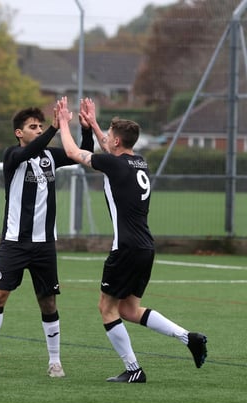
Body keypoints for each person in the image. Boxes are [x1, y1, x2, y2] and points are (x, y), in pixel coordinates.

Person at [55, 96, 208, 383]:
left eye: (109, 137)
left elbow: (73, 152)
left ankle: (133, 369)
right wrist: (96, 126)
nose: (107, 139)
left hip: (124, 248)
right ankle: (190, 338)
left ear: (116, 142)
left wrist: (64, 122)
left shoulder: (116, 165)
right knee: (128, 309)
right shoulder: (139, 162)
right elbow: (111, 151)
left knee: (107, 308)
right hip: (145, 248)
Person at [0, 103, 95, 377]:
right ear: (18, 133)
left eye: (40, 126)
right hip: (14, 242)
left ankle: (55, 361)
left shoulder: (50, 156)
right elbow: (30, 151)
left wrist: (84, 129)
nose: (37, 131)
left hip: (44, 244)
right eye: (32, 127)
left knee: (48, 302)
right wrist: (54, 128)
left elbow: (84, 154)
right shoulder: (13, 155)